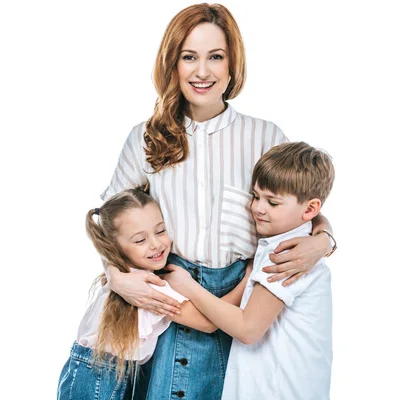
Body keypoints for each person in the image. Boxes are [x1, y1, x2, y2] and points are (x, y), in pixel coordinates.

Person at [101, 3, 337, 399]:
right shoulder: (146, 137)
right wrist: (115, 274)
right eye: (189, 57)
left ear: (232, 65)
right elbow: (107, 220)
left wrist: (325, 240)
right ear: (172, 64)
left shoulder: (263, 134)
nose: (202, 72)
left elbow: (299, 203)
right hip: (179, 287)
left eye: (216, 57)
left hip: (248, 291)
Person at [163, 141, 335, 399]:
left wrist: (188, 286)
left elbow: (248, 329)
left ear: (310, 209)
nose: (258, 208)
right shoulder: (288, 242)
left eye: (272, 203)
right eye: (255, 196)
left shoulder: (287, 255)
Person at [57, 188, 251, 400]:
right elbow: (208, 323)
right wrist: (247, 280)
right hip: (98, 382)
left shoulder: (126, 276)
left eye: (160, 231)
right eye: (140, 240)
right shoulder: (147, 286)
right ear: (115, 247)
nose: (156, 244)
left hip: (86, 372)